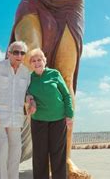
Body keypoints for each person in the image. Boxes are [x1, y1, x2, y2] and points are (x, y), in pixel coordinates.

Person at [8, 0, 92, 177]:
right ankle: (20, 113)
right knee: (32, 60)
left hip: (70, 5)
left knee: (65, 79)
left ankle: (65, 159)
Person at [0, 41, 31, 179]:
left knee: (15, 150)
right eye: (16, 52)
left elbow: (27, 93)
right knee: (2, 148)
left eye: (22, 52)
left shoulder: (26, 72)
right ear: (9, 53)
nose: (19, 55)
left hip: (16, 118)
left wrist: (31, 99)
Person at [26, 48, 73, 179]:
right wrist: (29, 98)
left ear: (44, 61)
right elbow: (25, 93)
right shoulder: (29, 78)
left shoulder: (54, 74)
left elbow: (66, 95)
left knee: (58, 155)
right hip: (38, 120)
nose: (37, 63)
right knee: (40, 155)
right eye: (33, 61)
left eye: (39, 59)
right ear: (31, 64)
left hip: (58, 119)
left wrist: (69, 115)